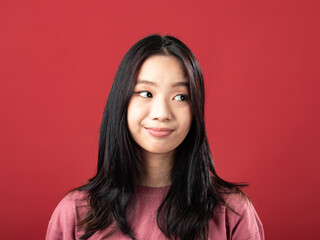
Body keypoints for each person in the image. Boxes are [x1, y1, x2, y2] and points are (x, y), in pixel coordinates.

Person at [46, 34, 264, 240]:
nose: (162, 114)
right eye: (146, 94)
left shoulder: (233, 213)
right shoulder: (75, 214)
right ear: (121, 102)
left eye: (180, 97)